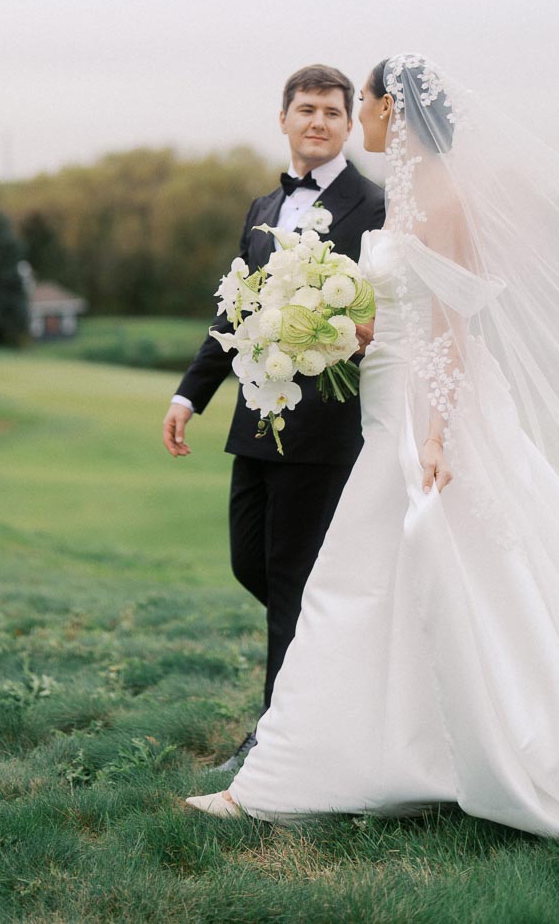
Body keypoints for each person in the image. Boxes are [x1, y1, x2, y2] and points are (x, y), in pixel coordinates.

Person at [186, 53, 559, 857]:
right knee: (382, 583)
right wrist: (350, 330)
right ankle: (370, 759)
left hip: (418, 418)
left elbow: (455, 323)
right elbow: (410, 306)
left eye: (368, 104)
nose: (363, 119)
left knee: (360, 581)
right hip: (391, 399)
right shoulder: (417, 191)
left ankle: (284, 781)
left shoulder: (441, 194)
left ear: (389, 109)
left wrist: (439, 433)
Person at [163, 64, 385, 772]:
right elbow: (233, 312)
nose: (317, 121)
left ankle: (276, 741)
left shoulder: (375, 206)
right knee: (249, 562)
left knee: (290, 579)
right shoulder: (263, 205)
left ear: (349, 125)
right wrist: (189, 395)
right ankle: (330, 665)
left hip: (325, 429)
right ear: (283, 118)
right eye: (305, 109)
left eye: (331, 112)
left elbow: (385, 312)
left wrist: (357, 332)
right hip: (254, 424)